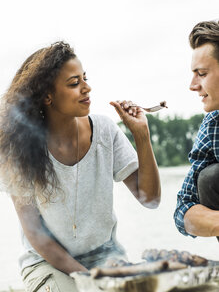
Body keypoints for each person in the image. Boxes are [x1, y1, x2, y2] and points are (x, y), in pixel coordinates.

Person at [0, 42, 161, 291]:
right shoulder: (19, 151)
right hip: (47, 262)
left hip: (106, 257)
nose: (87, 88)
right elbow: (37, 237)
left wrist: (141, 135)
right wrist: (91, 280)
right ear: (47, 96)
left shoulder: (105, 131)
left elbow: (150, 198)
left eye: (85, 79)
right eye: (74, 83)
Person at [174, 20, 219, 240]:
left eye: (201, 73)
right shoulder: (212, 124)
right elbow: (183, 209)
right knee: (209, 178)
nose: (192, 85)